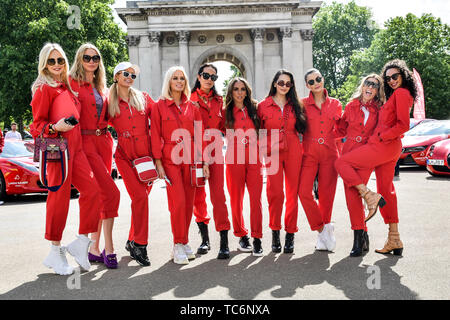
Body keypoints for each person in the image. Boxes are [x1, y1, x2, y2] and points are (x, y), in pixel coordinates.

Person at [30, 43, 101, 275]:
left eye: (60, 60)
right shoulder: (43, 89)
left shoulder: (66, 87)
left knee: (92, 192)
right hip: (56, 150)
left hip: (76, 150)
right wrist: (53, 127)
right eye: (52, 61)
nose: (57, 65)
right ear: (44, 65)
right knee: (58, 200)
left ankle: (81, 242)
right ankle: (55, 250)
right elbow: (36, 125)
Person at [335, 59, 417, 256]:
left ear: (403, 76)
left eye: (394, 76)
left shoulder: (399, 95)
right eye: (387, 78)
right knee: (386, 190)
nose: (391, 80)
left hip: (380, 147)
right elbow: (340, 128)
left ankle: (368, 195)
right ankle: (394, 238)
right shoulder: (355, 105)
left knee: (342, 166)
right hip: (382, 148)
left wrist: (381, 136)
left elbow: (403, 125)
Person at [69, 43, 121, 269]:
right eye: (87, 57)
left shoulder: (102, 87)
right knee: (110, 193)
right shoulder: (71, 84)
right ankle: (101, 247)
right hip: (85, 142)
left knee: (102, 196)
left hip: (104, 142)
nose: (92, 61)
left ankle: (93, 248)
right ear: (80, 59)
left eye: (96, 57)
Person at [151, 66, 209, 265]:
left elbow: (200, 135)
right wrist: (158, 162)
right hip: (170, 159)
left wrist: (204, 162)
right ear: (168, 81)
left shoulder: (193, 107)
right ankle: (177, 244)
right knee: (177, 203)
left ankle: (184, 242)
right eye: (175, 78)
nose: (179, 81)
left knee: (189, 203)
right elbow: (155, 135)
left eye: (182, 78)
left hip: (192, 159)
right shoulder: (158, 106)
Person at [107, 62, 154, 266]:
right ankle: (140, 245)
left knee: (140, 202)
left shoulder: (143, 98)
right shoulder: (108, 102)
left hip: (146, 160)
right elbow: (95, 126)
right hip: (125, 158)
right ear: (117, 76)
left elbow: (161, 116)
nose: (129, 78)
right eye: (126, 74)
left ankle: (131, 240)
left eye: (133, 75)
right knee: (140, 198)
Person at [336, 74, 385, 257]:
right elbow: (340, 129)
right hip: (349, 151)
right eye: (368, 83)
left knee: (353, 193)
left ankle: (360, 237)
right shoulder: (350, 106)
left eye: (375, 85)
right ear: (363, 85)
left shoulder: (379, 109)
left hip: (366, 154)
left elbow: (381, 130)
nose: (370, 87)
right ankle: (361, 235)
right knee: (351, 196)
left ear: (377, 90)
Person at [257, 70, 306, 254]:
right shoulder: (263, 106)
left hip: (294, 150)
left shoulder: (296, 105)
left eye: (288, 83)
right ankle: (275, 233)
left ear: (291, 86)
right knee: (275, 193)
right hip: (272, 152)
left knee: (293, 194)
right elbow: (259, 131)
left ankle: (290, 234)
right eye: (281, 83)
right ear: (274, 83)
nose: (284, 86)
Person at [298, 68, 342, 252]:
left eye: (318, 79)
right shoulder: (301, 104)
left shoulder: (336, 104)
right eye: (311, 81)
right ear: (306, 85)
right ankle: (323, 229)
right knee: (303, 192)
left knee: (327, 196)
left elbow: (342, 129)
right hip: (308, 152)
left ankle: (322, 239)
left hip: (330, 153)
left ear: (323, 79)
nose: (316, 83)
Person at [190, 63, 231, 259]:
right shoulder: (188, 100)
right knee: (198, 197)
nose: (209, 79)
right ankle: (205, 240)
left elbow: (224, 126)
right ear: (198, 77)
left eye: (213, 77)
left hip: (215, 153)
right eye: (206, 75)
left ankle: (224, 241)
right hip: (193, 153)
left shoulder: (219, 101)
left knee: (218, 196)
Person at [224, 77, 263, 257]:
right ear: (231, 92)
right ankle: (242, 235)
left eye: (242, 89)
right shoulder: (225, 112)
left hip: (254, 158)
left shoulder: (256, 109)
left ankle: (257, 238)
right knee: (236, 200)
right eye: (236, 89)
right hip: (234, 159)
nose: (239, 93)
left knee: (256, 199)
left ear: (247, 91)